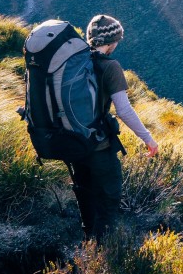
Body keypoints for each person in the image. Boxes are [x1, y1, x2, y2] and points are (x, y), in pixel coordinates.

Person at [69, 14, 159, 242]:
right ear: (112, 41)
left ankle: (89, 244)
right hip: (99, 145)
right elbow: (124, 110)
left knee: (85, 195)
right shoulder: (110, 67)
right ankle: (105, 251)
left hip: (73, 143)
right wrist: (148, 138)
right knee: (109, 197)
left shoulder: (74, 62)